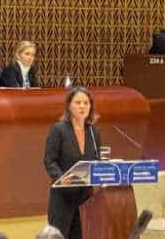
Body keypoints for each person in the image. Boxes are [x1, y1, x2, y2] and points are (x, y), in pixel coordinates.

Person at [44, 86, 103, 239]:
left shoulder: (93, 132)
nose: (82, 106)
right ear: (69, 106)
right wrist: (60, 177)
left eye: (86, 103)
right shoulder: (59, 130)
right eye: (78, 102)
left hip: (85, 198)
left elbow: (97, 160)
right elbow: (49, 160)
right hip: (63, 197)